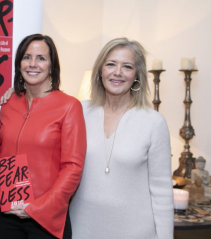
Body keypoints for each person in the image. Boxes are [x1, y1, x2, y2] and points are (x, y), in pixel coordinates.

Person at [0, 34, 87, 239]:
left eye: (41, 58)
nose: (33, 64)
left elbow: (72, 168)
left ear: (52, 66)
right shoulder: (10, 101)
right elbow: (0, 148)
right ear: (19, 63)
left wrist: (37, 207)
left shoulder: (69, 106)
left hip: (44, 218)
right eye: (27, 57)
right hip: (6, 212)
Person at [68, 37, 174, 238]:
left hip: (136, 232)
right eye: (110, 64)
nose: (117, 72)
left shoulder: (154, 122)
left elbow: (162, 193)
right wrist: (17, 93)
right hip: (82, 228)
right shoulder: (78, 111)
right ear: (101, 71)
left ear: (137, 75)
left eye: (127, 66)